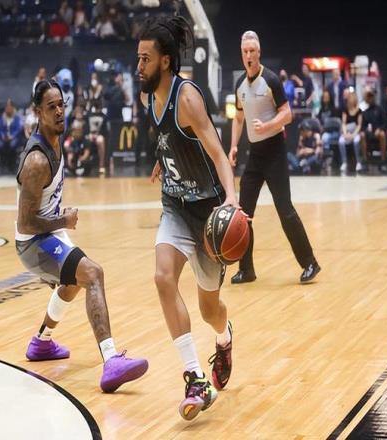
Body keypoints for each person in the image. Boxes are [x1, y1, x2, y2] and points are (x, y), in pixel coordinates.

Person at [15, 79, 148, 393]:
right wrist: (64, 219)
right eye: (51, 107)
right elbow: (26, 223)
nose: (59, 112)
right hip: (33, 242)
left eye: (61, 105)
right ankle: (111, 361)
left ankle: (42, 342)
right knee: (93, 274)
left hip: (50, 233)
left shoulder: (55, 139)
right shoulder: (36, 161)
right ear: (38, 112)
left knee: (74, 281)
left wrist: (59, 221)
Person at [137, 16, 238, 421]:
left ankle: (224, 338)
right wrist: (164, 159)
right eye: (138, 58)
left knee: (210, 309)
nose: (138, 66)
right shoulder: (148, 98)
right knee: (163, 277)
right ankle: (195, 378)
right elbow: (169, 140)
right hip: (175, 206)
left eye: (145, 59)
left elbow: (218, 154)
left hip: (208, 213)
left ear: (165, 61)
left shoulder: (188, 98)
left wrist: (232, 199)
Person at [228, 31, 320, 284]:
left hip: (275, 153)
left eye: (252, 51)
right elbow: (238, 118)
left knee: (285, 210)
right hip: (255, 156)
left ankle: (310, 263)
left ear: (259, 53)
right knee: (243, 214)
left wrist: (267, 126)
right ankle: (246, 269)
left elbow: (287, 114)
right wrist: (233, 146)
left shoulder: (270, 80)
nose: (248, 55)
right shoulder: (240, 85)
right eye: (245, 52)